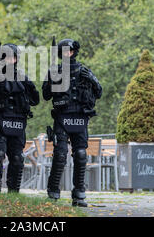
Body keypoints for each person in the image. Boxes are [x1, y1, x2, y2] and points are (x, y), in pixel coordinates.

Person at [42, 38, 102, 207]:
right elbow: (46, 95)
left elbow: (99, 92)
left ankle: (79, 195)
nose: (66, 54)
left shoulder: (84, 70)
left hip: (80, 117)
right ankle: (53, 193)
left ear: (74, 52)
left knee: (81, 155)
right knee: (60, 154)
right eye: (63, 52)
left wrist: (91, 78)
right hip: (62, 118)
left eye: (69, 51)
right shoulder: (55, 70)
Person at [0, 43, 40, 193]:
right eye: (6, 57)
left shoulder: (22, 78)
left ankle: (14, 193)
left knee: (18, 158)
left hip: (18, 124)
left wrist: (28, 87)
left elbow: (35, 100)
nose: (9, 60)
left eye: (12, 57)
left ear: (16, 59)